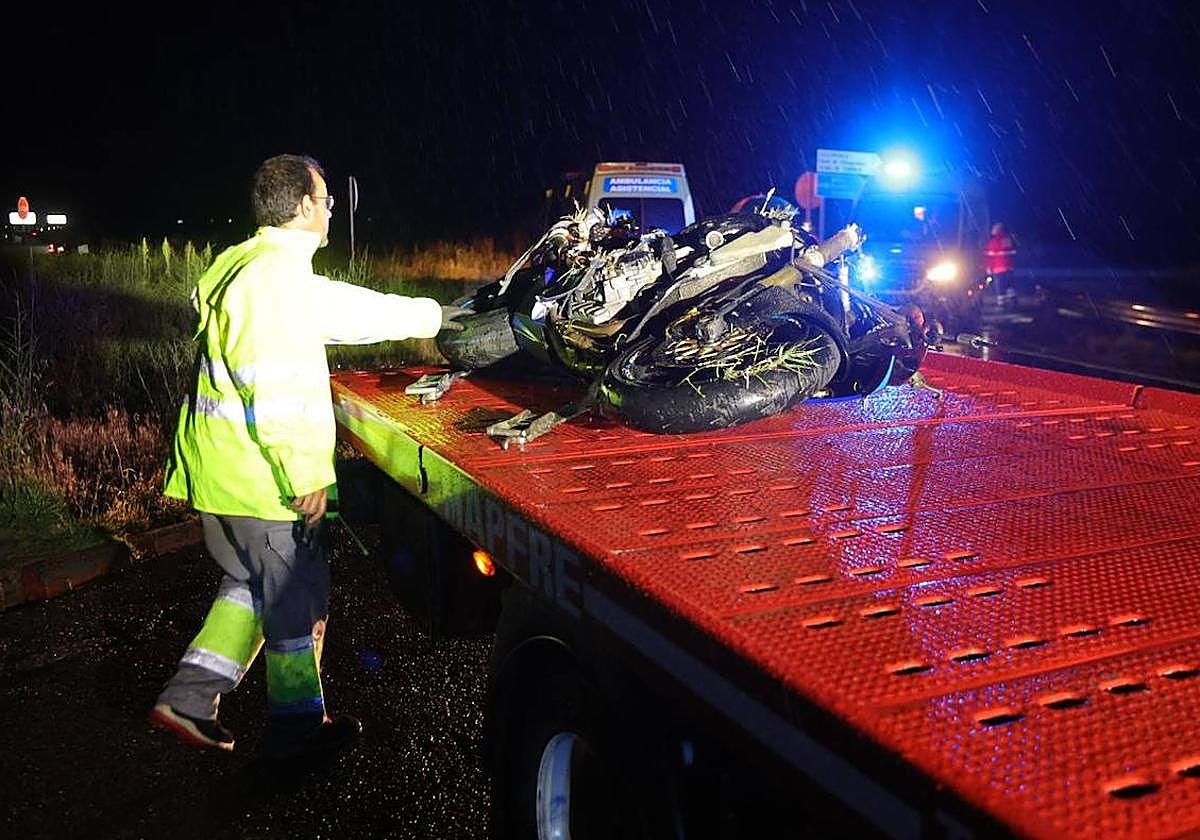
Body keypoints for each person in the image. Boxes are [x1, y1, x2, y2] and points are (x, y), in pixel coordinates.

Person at [149, 153, 467, 761]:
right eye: (323, 200)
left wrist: (438, 314)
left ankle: (189, 698)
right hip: (262, 480)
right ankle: (297, 731)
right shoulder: (272, 285)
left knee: (248, 584)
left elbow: (354, 309)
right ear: (300, 207)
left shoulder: (265, 273)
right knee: (297, 599)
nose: (329, 210)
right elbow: (272, 389)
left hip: (227, 474)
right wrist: (306, 477)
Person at [983, 222, 1018, 304]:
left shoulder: (993, 241)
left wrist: (988, 267)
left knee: (1000, 286)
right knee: (1010, 285)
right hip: (1009, 267)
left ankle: (1001, 302)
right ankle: (1012, 301)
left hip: (997, 268)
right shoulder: (1008, 239)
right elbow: (1012, 252)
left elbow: (989, 256)